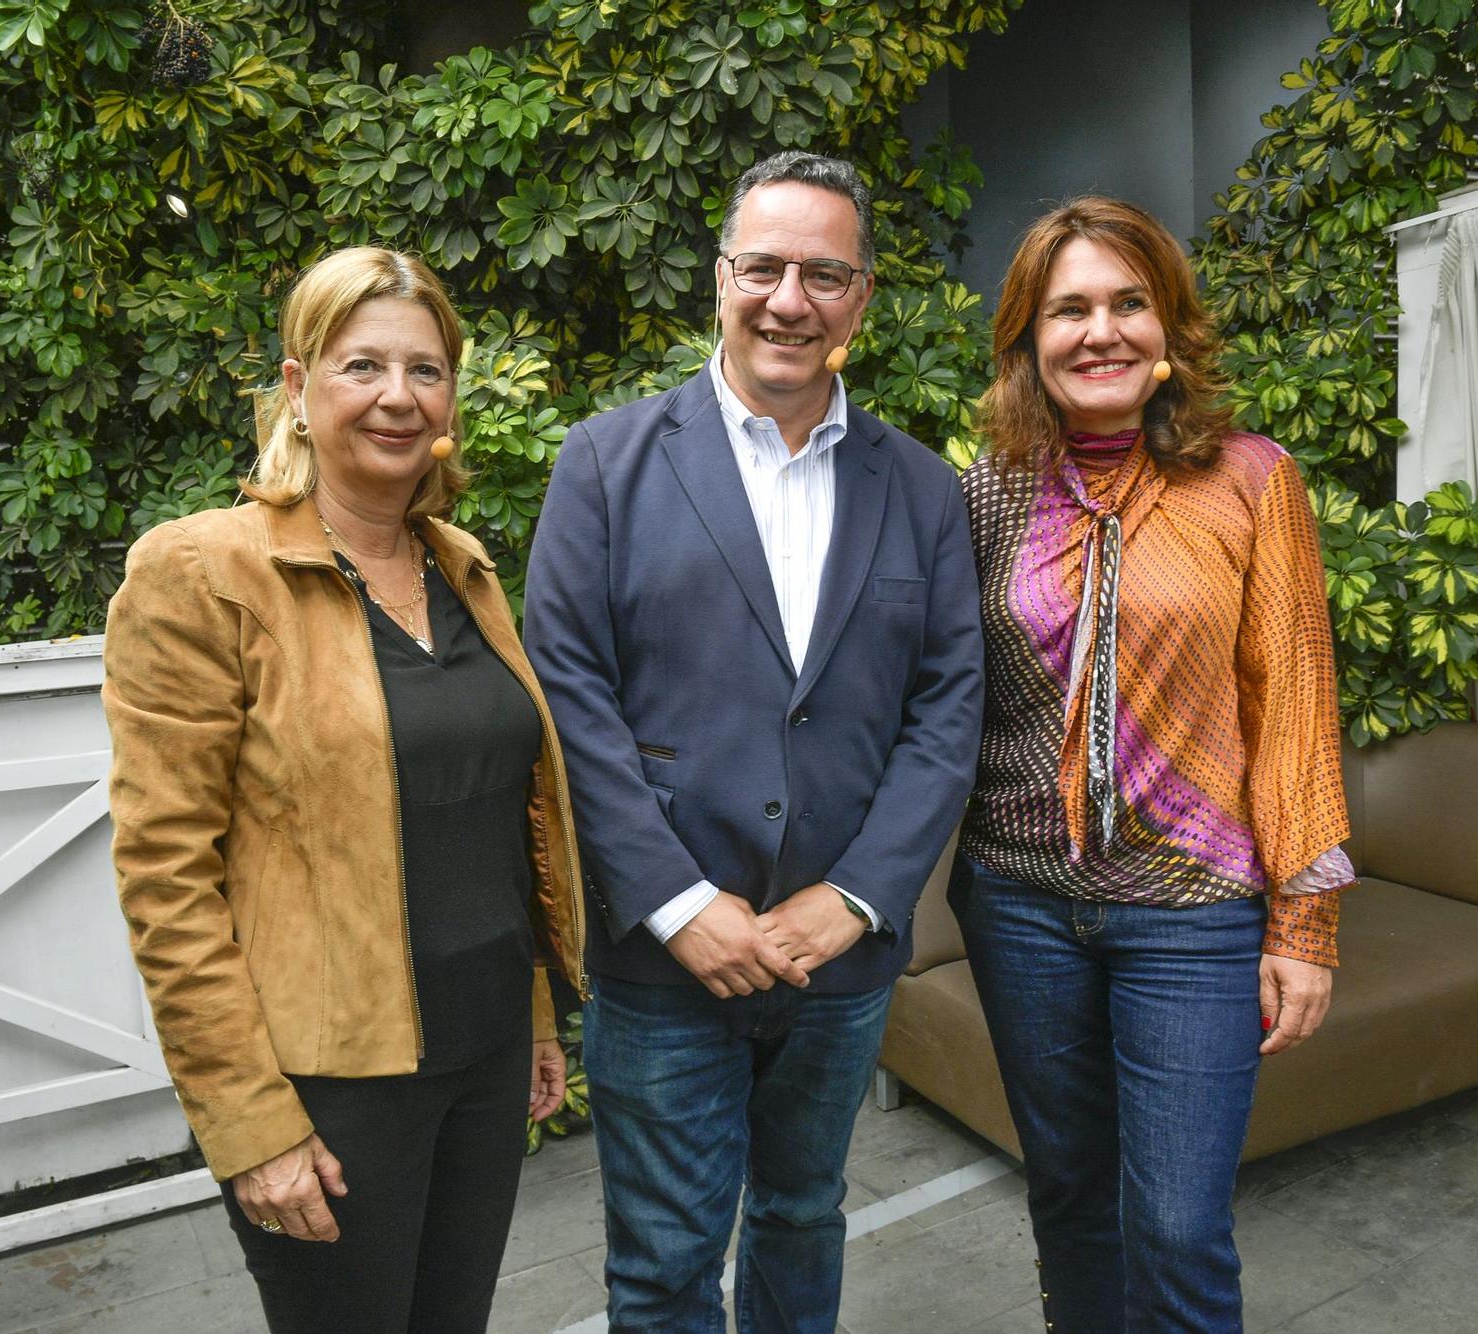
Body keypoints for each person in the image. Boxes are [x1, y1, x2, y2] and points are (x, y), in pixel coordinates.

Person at [523, 151, 984, 1332]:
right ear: (717, 277)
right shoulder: (605, 464)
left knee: (799, 1217)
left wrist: (862, 896)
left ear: (862, 298)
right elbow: (568, 696)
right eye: (763, 265)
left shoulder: (923, 490)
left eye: (824, 273)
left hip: (839, 957)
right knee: (666, 1264)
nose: (790, 298)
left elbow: (945, 709)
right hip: (665, 960)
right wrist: (679, 902)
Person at [102, 246, 587, 1334]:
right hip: (326, 1080)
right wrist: (247, 1120)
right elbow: (165, 879)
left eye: (425, 369)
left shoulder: (460, 563)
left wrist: (534, 1011)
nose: (397, 397)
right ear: (297, 385)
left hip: (483, 1048)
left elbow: (496, 819)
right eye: (361, 364)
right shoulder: (201, 573)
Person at [953, 198, 1355, 1332]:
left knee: (1178, 1223)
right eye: (1068, 307)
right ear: (1028, 336)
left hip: (1193, 911)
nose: (1100, 331)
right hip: (1018, 902)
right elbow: (937, 696)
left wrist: (1302, 924)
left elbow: (1292, 704)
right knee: (1071, 1197)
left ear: (1168, 325)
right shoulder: (988, 490)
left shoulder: (1249, 479)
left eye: (1128, 302)